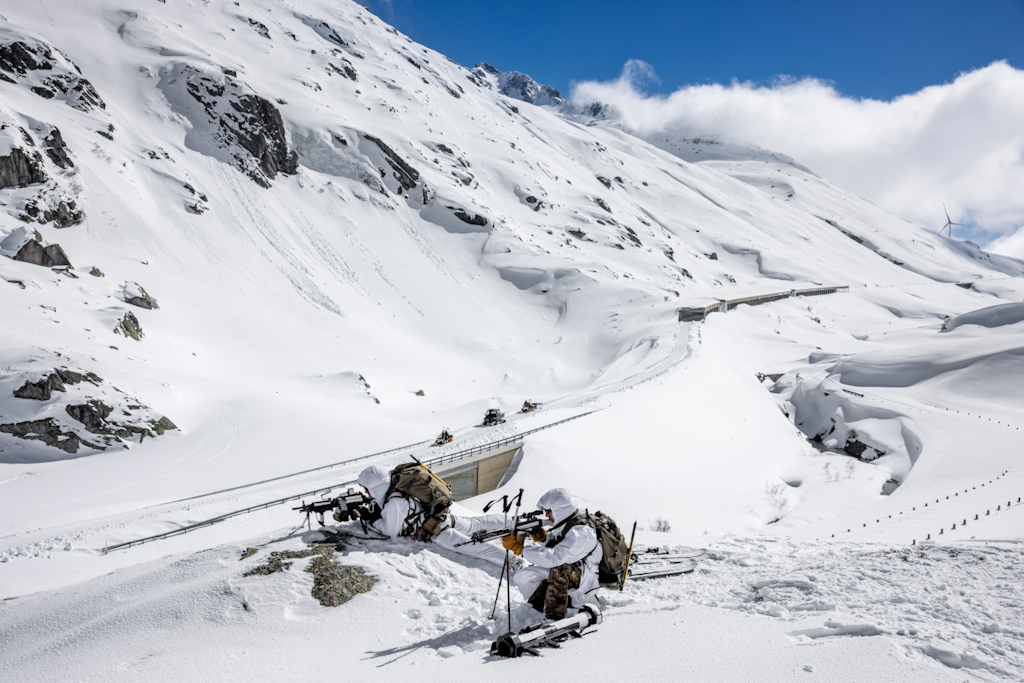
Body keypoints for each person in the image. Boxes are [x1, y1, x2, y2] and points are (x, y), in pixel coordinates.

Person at [356, 464, 518, 570]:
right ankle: (513, 521)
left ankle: (513, 560)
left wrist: (373, 519)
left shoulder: (394, 503)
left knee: (472, 547)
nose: (367, 492)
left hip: (437, 532)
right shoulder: (397, 488)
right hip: (442, 516)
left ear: (375, 486)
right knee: (476, 523)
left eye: (367, 489)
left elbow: (390, 531)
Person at [504, 487, 602, 620]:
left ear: (560, 509)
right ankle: (534, 608)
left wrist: (520, 549)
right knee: (553, 568)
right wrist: (543, 538)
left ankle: (554, 618)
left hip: (588, 576)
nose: (546, 516)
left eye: (548, 511)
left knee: (559, 569)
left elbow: (555, 557)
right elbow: (559, 545)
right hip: (576, 567)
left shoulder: (581, 532)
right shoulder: (570, 520)